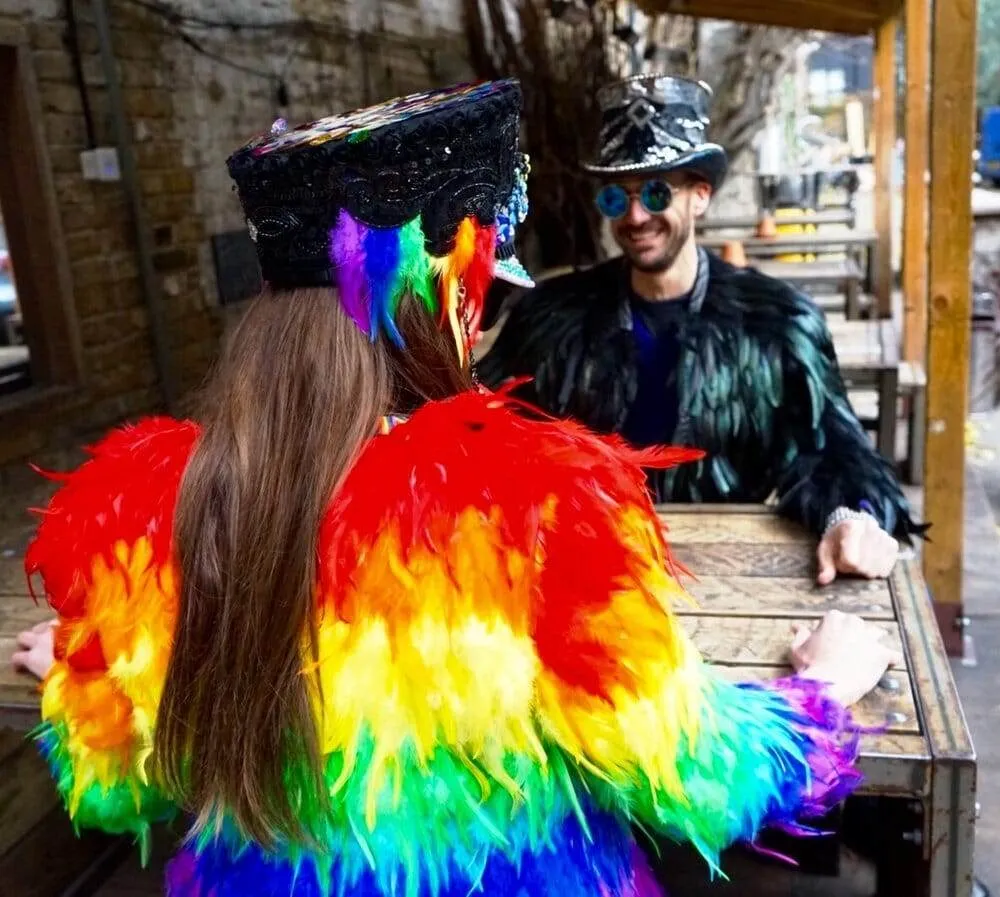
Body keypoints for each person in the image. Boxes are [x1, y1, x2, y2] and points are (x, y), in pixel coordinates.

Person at [12, 80, 900, 897]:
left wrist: (84, 663)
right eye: (479, 287)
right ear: (446, 298)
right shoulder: (535, 513)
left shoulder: (152, 522)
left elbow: (109, 776)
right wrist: (818, 695)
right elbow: (690, 772)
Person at [478, 74, 926, 586]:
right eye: (615, 198)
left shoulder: (777, 321)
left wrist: (852, 514)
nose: (636, 215)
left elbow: (832, 444)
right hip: (578, 572)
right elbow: (487, 426)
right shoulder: (551, 317)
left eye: (654, 192)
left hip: (730, 574)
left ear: (700, 196)